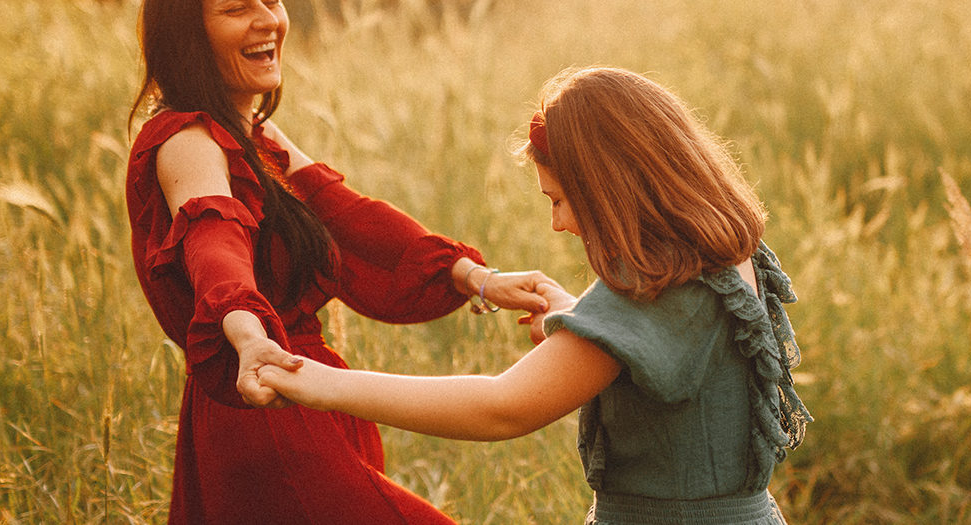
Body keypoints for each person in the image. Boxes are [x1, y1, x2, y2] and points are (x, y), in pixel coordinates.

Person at [259, 66, 814, 524]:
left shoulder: (658, 284)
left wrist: (321, 382)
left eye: (559, 200)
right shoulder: (719, 254)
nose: (557, 224)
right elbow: (676, 365)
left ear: (608, 188)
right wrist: (581, 319)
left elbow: (502, 409)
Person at [124, 0, 561, 522]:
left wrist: (478, 279)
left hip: (304, 400)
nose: (268, 20)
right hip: (268, 402)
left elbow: (349, 218)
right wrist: (247, 334)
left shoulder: (251, 133)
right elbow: (214, 244)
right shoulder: (187, 142)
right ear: (186, 34)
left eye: (271, 0)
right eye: (237, 7)